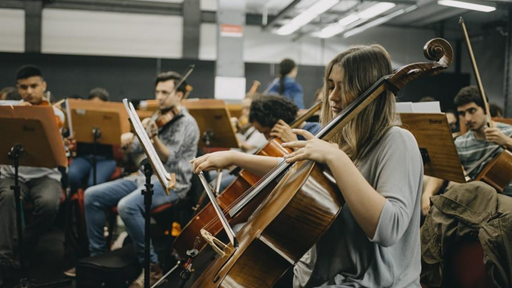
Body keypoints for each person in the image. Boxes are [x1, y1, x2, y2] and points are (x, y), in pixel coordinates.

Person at [192, 45, 423, 287]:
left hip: (371, 282)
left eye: (343, 87)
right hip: (321, 276)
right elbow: (291, 166)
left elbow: (389, 230)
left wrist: (337, 159)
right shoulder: (342, 138)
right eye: (331, 85)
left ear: (367, 90)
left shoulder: (397, 140)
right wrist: (235, 158)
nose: (332, 96)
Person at [83, 71, 199, 288]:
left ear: (180, 95)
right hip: (143, 177)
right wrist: (130, 137)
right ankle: (96, 258)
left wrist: (153, 137)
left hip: (172, 183)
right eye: (157, 91)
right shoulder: (156, 117)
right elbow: (136, 148)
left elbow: (169, 158)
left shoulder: (188, 124)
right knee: (92, 195)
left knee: (127, 206)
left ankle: (152, 267)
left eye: (165, 92)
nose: (160, 96)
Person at [0, 65, 65, 284]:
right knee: (7, 197)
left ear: (43, 86)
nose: (29, 91)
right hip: (12, 173)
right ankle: (5, 259)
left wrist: (33, 114)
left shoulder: (55, 114)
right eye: (24, 87)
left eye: (34, 86)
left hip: (45, 175)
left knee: (49, 203)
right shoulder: (8, 110)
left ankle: (24, 244)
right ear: (18, 88)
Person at [422, 86, 512, 216]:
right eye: (462, 113)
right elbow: (445, 172)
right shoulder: (460, 143)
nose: (467, 118)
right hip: (478, 206)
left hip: (507, 203)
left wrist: (506, 142)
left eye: (472, 110)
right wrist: (427, 193)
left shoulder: (509, 133)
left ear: (485, 108)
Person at [66, 88, 117, 196]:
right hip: (83, 157)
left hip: (105, 159)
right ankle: (78, 201)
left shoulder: (112, 120)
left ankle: (89, 202)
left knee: (94, 183)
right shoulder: (80, 119)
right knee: (72, 175)